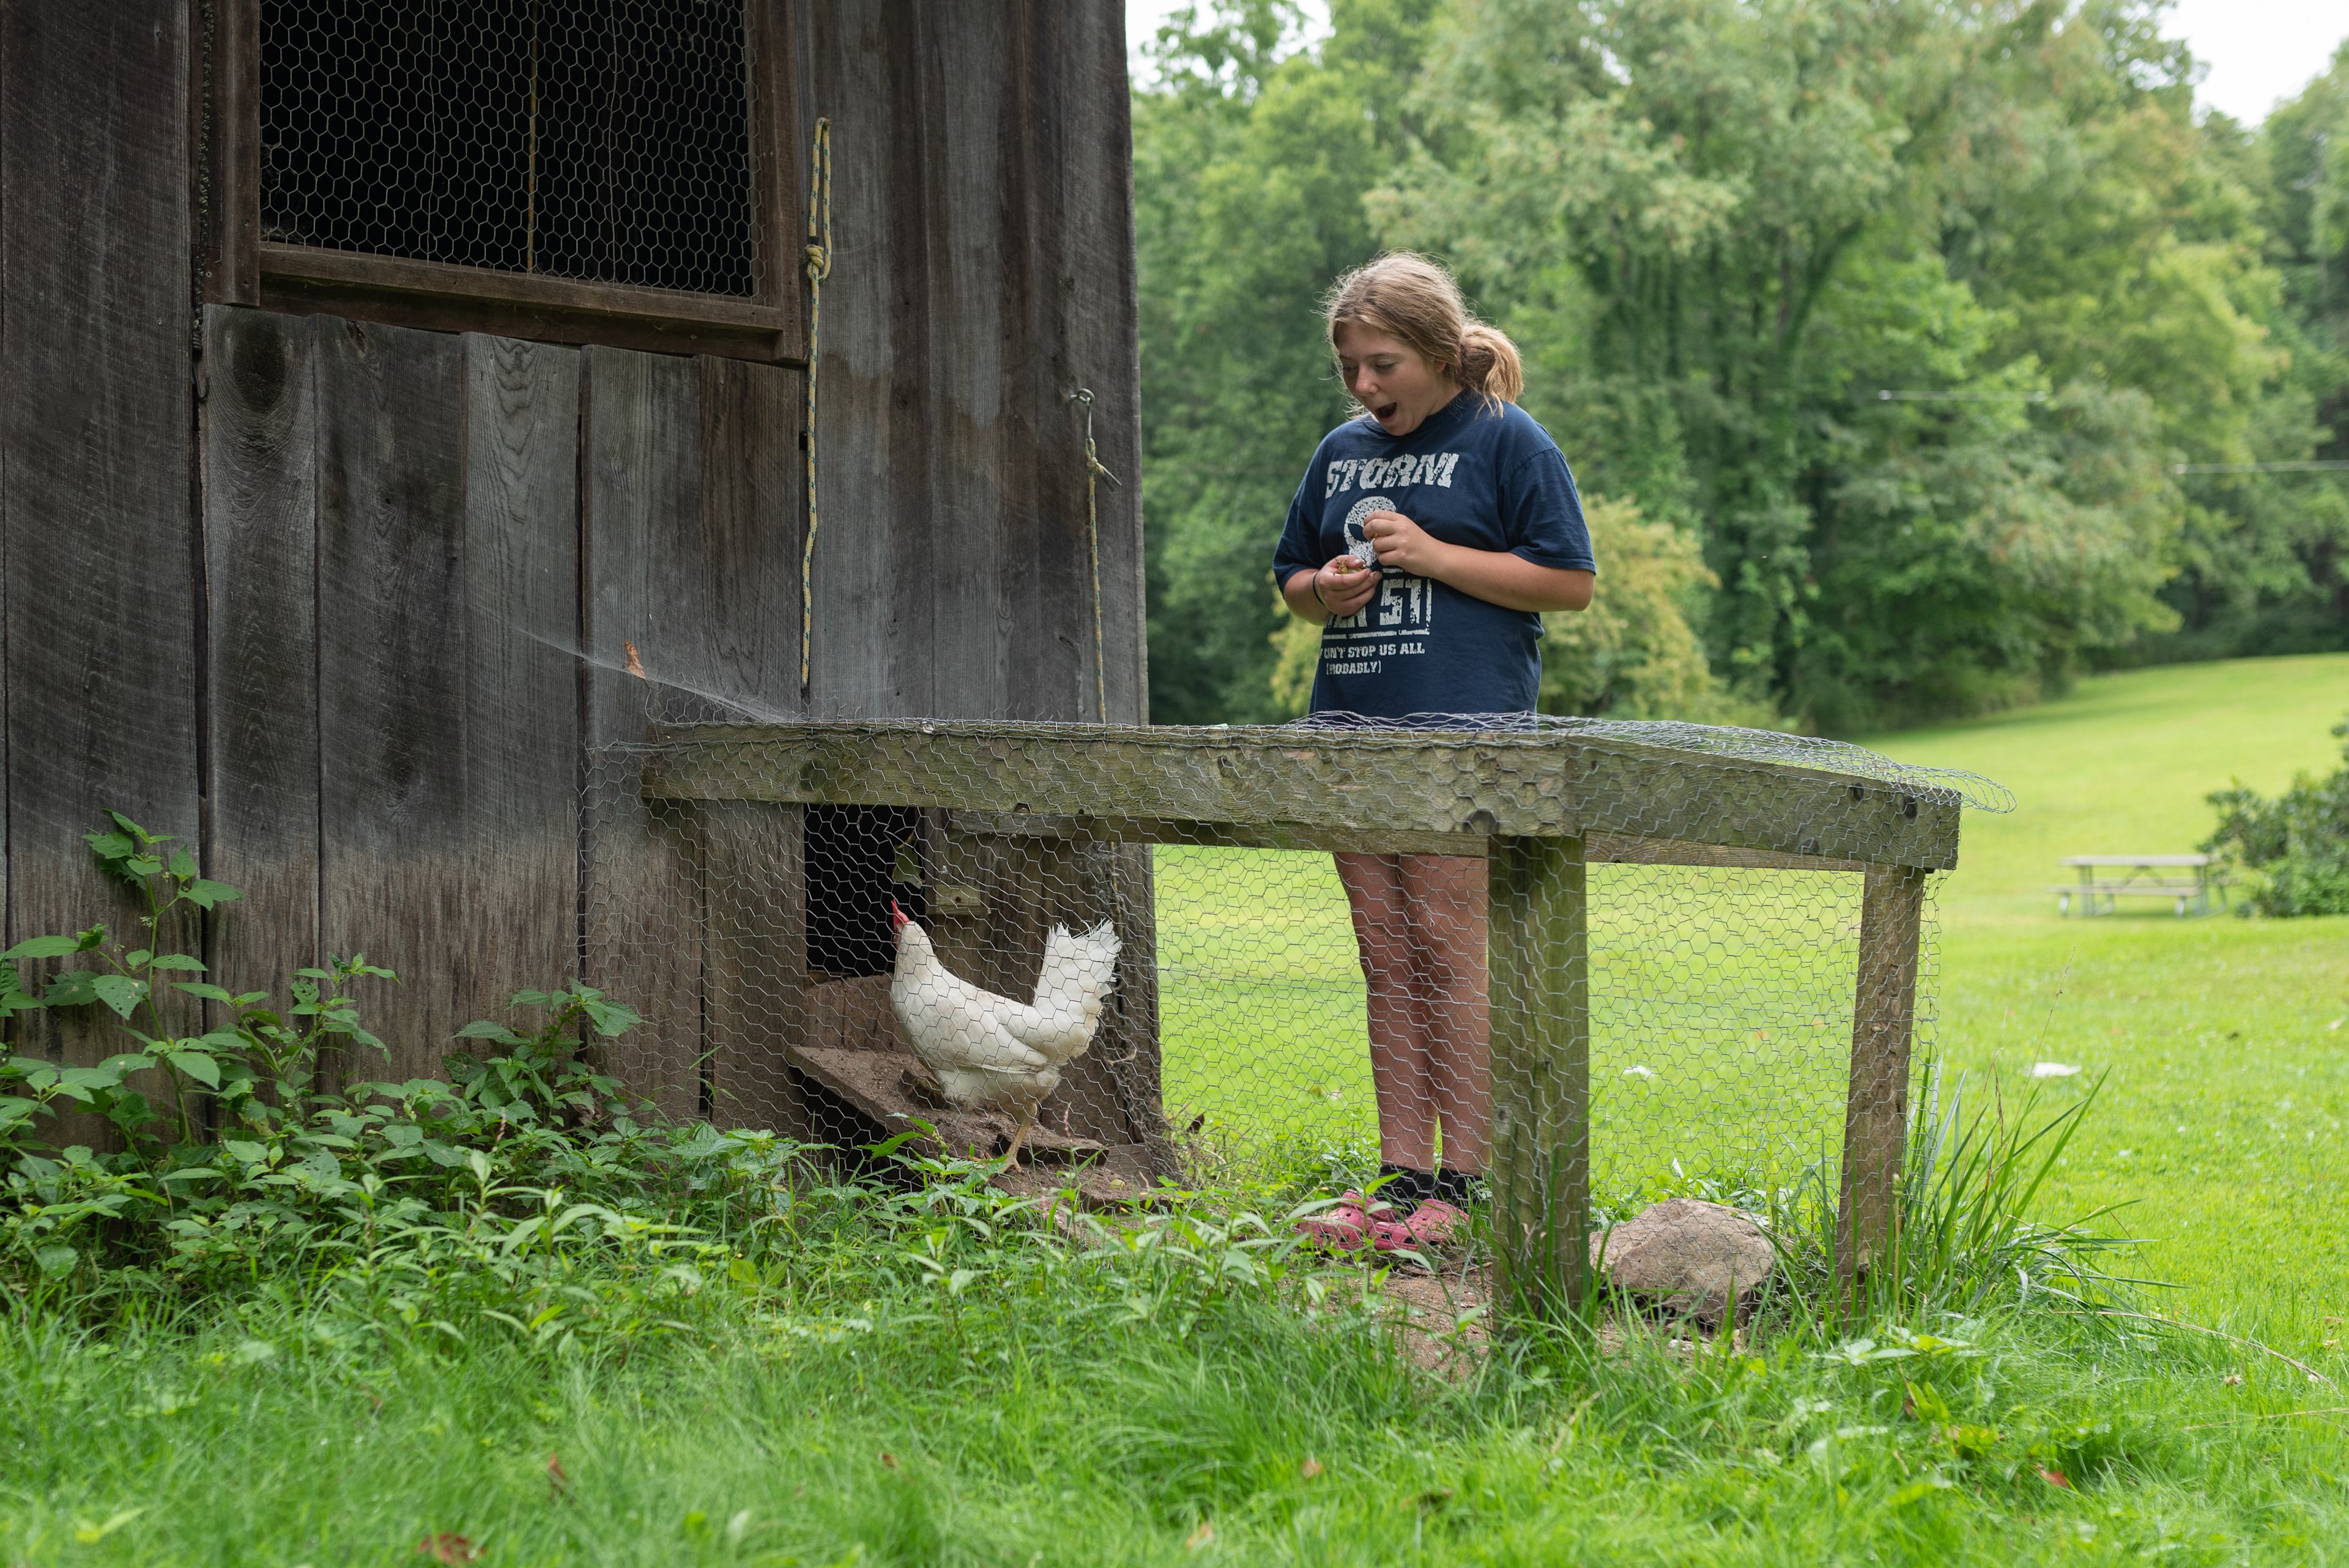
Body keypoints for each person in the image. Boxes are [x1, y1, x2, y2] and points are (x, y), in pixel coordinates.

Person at [1273, 253, 1596, 1251]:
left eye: (1383, 366)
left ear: (1437, 353)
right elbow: (1288, 573)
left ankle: (1467, 1188)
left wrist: (1433, 556)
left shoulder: (1506, 440)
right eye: (1351, 371)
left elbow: (1570, 582)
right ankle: (1398, 1178)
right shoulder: (1340, 452)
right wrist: (1325, 590)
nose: (1366, 389)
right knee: (1385, 956)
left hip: (1466, 733)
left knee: (1450, 951)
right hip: (1352, 731)